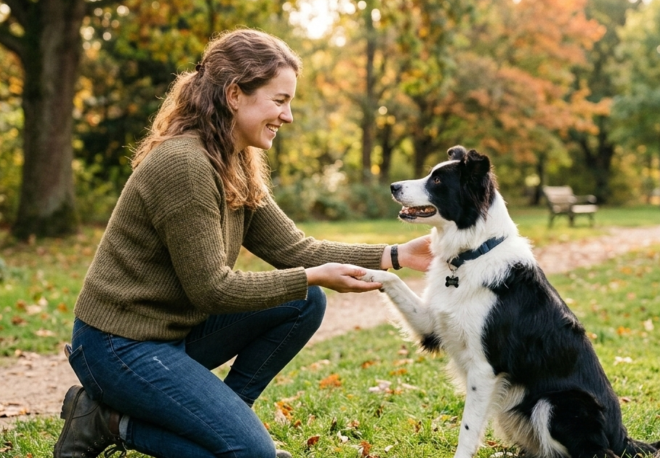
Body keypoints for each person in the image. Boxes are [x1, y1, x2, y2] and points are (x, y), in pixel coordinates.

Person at [52, 29, 432, 458]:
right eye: (280, 100)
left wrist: (397, 255)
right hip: (117, 346)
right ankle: (106, 419)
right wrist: (311, 275)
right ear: (235, 94)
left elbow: (296, 248)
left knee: (305, 300)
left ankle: (226, 423)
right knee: (251, 454)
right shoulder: (186, 164)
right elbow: (211, 289)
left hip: (173, 332)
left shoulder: (236, 159)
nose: (287, 116)